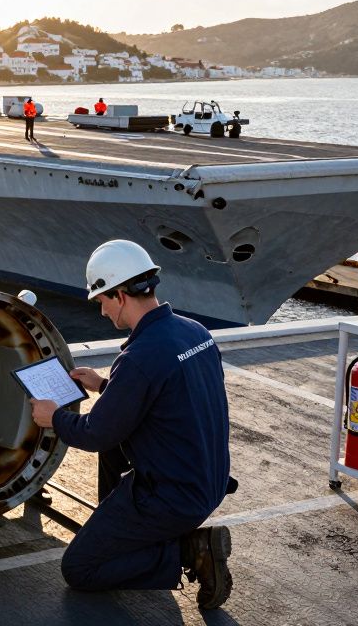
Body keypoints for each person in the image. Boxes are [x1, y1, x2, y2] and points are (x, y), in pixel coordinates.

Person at [30, 240, 232, 609]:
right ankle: (126, 530)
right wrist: (105, 385)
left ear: (120, 295)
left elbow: (95, 433)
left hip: (173, 498)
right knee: (113, 449)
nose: (103, 311)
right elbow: (168, 397)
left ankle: (190, 550)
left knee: (80, 568)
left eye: (102, 300)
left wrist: (53, 417)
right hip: (210, 480)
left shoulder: (139, 357)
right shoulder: (195, 332)